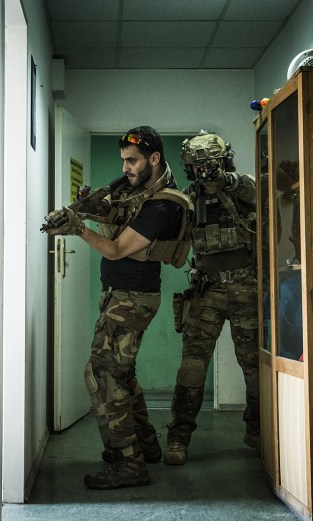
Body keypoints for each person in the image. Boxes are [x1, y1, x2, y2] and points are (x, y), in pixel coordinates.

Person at [43, 125, 191, 489]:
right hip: (120, 296)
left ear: (154, 159)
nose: (125, 168)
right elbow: (114, 212)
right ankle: (145, 446)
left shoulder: (162, 205)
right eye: (123, 160)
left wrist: (78, 228)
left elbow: (116, 249)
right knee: (121, 374)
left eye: (132, 161)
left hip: (132, 300)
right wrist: (90, 207)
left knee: (101, 376)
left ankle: (129, 463)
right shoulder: (136, 191)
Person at [166, 131, 260, 465]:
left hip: (247, 287)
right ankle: (178, 436)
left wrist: (224, 181)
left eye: (208, 164)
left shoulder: (242, 187)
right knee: (192, 367)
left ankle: (258, 430)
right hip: (207, 289)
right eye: (197, 166)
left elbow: (256, 192)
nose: (203, 171)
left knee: (255, 366)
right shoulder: (189, 198)